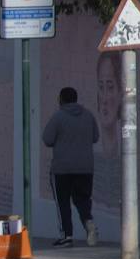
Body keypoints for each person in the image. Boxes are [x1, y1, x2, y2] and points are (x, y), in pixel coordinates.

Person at [42, 86, 99, 248]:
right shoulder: (88, 116)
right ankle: (89, 223)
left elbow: (47, 139)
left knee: (63, 203)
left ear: (61, 99)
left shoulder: (58, 117)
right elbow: (95, 137)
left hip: (62, 169)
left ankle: (67, 236)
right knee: (82, 200)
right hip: (85, 168)